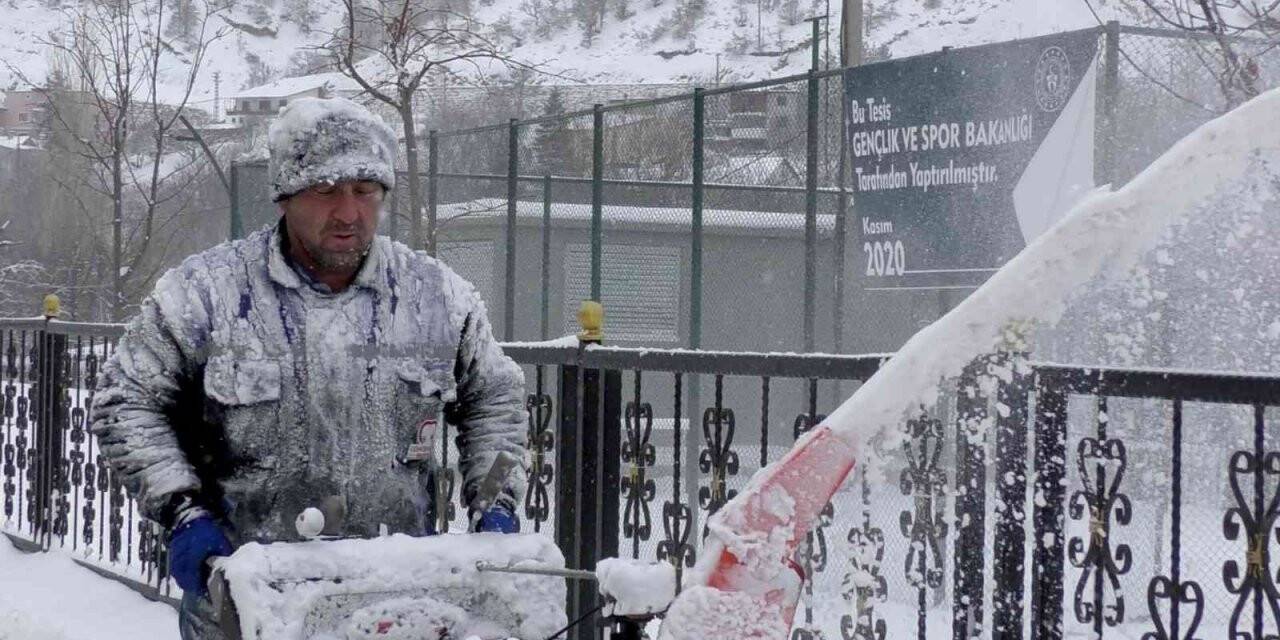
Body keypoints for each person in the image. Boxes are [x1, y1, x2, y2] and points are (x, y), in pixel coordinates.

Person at [90, 97, 528, 639]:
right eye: (326, 191)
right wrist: (184, 513)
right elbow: (126, 402)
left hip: (396, 603)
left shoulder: (436, 296)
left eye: (365, 191)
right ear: (286, 196)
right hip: (246, 605)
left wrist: (494, 502)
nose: (349, 212)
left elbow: (495, 397)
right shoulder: (205, 295)